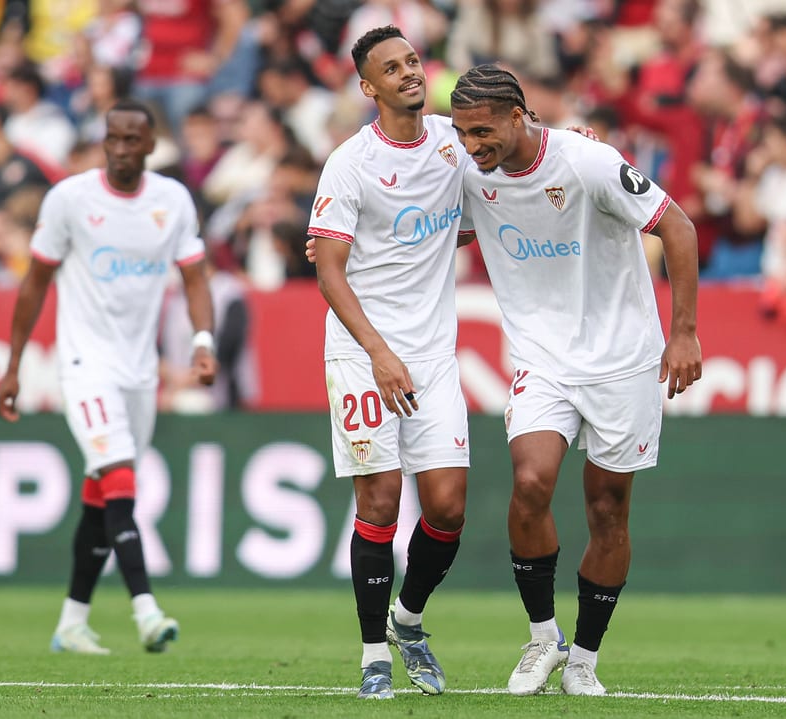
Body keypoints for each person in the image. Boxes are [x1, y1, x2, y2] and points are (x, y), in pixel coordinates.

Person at [449, 65, 703, 696]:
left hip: (624, 358)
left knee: (607, 510)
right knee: (530, 482)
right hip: (543, 358)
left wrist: (686, 332)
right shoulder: (470, 174)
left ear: (518, 117)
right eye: (461, 132)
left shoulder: (587, 162)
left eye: (481, 131)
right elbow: (427, 232)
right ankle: (543, 641)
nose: (471, 144)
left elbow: (678, 227)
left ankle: (584, 659)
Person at [0, 98, 217, 655]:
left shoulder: (172, 201)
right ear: (103, 143)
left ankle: (72, 622)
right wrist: (15, 364)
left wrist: (203, 341)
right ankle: (146, 610)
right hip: (84, 365)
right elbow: (34, 282)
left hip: (138, 372)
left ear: (149, 145)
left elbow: (195, 277)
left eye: (130, 140)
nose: (119, 149)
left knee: (101, 494)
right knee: (119, 481)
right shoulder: (70, 199)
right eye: (111, 139)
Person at [308, 25, 471, 700]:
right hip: (361, 349)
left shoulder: (453, 143)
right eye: (392, 67)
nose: (410, 72)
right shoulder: (349, 164)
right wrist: (378, 351)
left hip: (431, 351)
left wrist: (577, 141)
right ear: (367, 87)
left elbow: (501, 187)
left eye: (413, 61)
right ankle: (375, 652)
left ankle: (409, 619)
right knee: (378, 500)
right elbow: (328, 270)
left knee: (448, 507)